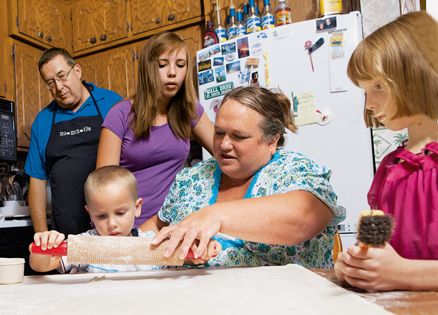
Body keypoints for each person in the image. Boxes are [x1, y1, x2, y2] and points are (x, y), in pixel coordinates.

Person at [142, 86, 345, 268]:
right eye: (219, 133)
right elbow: (157, 226)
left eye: (239, 136)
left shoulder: (295, 170)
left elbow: (304, 218)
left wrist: (213, 216)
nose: (224, 145)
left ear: (272, 140)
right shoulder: (192, 178)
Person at [334, 11, 438, 292]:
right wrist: (356, 262)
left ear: (419, 77)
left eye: (378, 86)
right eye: (365, 91)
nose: (368, 103)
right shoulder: (392, 166)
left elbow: (397, 271)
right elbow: (374, 245)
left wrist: (403, 274)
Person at [97, 32, 214, 227]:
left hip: (173, 225)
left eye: (180, 65)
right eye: (162, 64)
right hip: (128, 228)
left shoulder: (190, 110)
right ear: (148, 68)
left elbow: (225, 152)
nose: (172, 72)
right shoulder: (121, 114)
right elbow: (102, 186)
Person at [29, 166, 220, 273]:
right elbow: (42, 265)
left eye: (120, 213)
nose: (112, 224)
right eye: (101, 216)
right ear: (89, 214)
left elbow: (187, 259)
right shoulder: (85, 244)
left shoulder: (152, 243)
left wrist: (200, 251)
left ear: (137, 208)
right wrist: (42, 248)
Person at [25, 48, 123, 236]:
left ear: (77, 71)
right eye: (50, 83)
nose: (59, 87)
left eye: (62, 76)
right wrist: (41, 235)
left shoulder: (111, 103)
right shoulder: (43, 121)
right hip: (65, 235)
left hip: (111, 233)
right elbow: (37, 182)